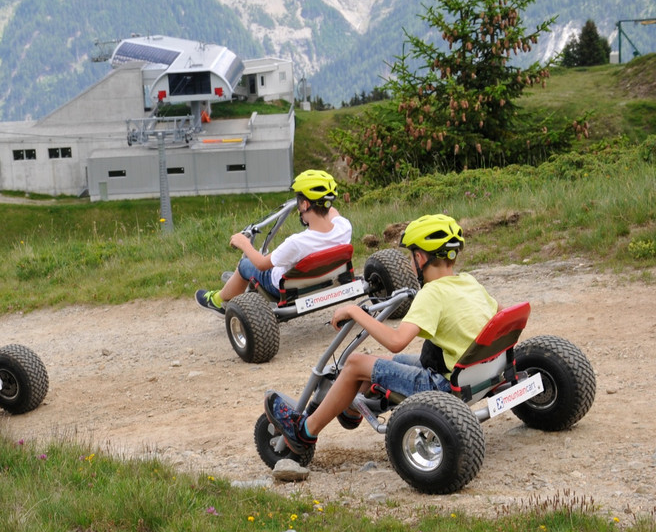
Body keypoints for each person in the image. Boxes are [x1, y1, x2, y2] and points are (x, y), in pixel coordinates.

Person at [264, 214, 500, 453]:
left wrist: (356, 312)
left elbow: (397, 342)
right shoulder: (469, 282)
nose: (410, 263)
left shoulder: (432, 294)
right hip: (476, 374)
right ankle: (352, 408)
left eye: (410, 257)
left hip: (445, 386)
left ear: (420, 258)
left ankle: (304, 431)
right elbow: (499, 313)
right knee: (384, 363)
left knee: (356, 362)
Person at [195, 169, 352, 315]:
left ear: (305, 204)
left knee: (246, 264)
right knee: (269, 258)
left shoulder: (297, 242)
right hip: (327, 277)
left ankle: (218, 299)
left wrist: (244, 243)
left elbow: (262, 264)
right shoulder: (344, 227)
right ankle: (235, 286)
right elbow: (332, 212)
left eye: (299, 201)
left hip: (282, 286)